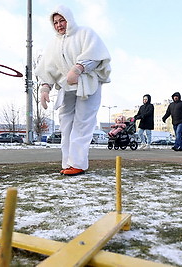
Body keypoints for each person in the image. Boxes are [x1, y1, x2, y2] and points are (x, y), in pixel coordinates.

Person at [35, 5, 111, 176]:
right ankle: (67, 162)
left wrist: (78, 68)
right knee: (66, 123)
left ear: (69, 19)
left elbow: (97, 56)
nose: (59, 25)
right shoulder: (53, 44)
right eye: (55, 22)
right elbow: (48, 68)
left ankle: (78, 163)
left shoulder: (84, 33)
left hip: (87, 85)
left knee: (82, 123)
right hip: (66, 87)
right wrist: (45, 88)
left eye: (62, 20)